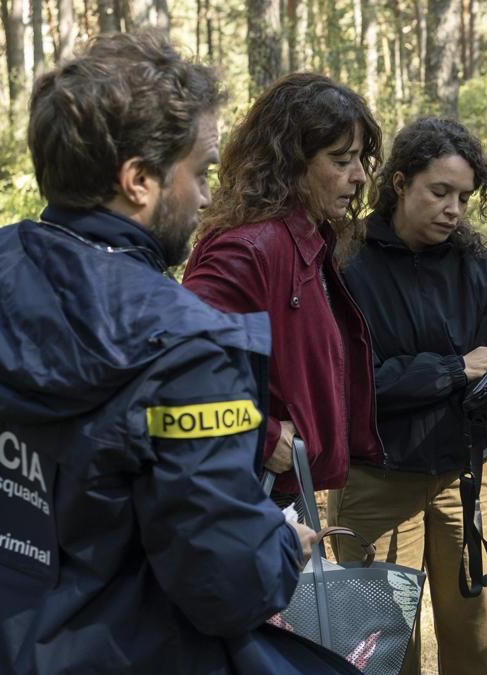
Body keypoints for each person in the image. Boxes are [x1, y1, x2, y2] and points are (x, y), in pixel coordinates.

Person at [0, 31, 355, 674]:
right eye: (198, 172)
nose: (204, 199)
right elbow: (228, 584)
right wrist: (280, 543)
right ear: (139, 181)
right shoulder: (191, 348)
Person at [329, 117, 487, 675]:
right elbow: (350, 385)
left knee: (473, 640)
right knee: (383, 650)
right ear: (398, 182)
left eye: (463, 197)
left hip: (468, 478)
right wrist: (454, 369)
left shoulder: (477, 267)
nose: (453, 209)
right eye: (439, 192)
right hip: (378, 479)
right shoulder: (347, 264)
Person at [183, 73, 383, 503]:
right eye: (341, 159)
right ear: (291, 162)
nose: (360, 176)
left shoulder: (308, 239)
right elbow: (183, 364)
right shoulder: (249, 248)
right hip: (244, 495)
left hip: (280, 492)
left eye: (360, 159)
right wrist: (261, 432)